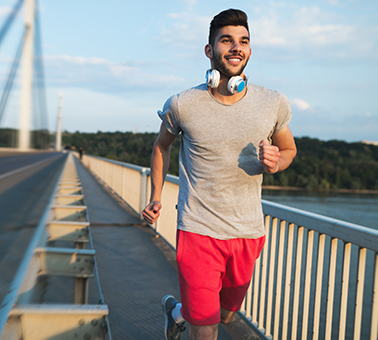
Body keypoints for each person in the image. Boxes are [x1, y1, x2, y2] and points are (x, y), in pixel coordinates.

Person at [142, 9, 297, 340]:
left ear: (250, 50)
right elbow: (161, 146)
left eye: (243, 41)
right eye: (226, 40)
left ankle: (177, 312)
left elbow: (288, 150)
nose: (236, 47)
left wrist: (277, 162)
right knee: (207, 329)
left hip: (248, 231)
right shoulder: (183, 104)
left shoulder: (273, 103)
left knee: (225, 315)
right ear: (210, 50)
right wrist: (156, 196)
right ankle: (193, 317)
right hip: (198, 229)